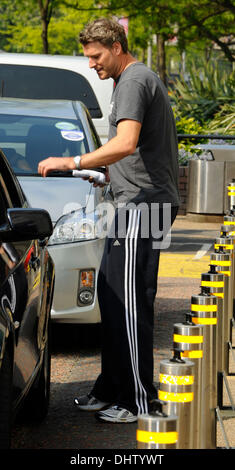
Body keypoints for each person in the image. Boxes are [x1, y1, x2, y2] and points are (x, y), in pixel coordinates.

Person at [38, 17, 180, 423]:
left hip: (143, 206)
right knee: (112, 297)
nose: (92, 65)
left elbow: (126, 142)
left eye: (96, 56)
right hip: (133, 201)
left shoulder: (134, 81)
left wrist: (74, 160)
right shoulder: (130, 80)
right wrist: (102, 174)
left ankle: (137, 400)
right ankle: (111, 386)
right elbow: (139, 154)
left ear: (116, 46)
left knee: (130, 303)